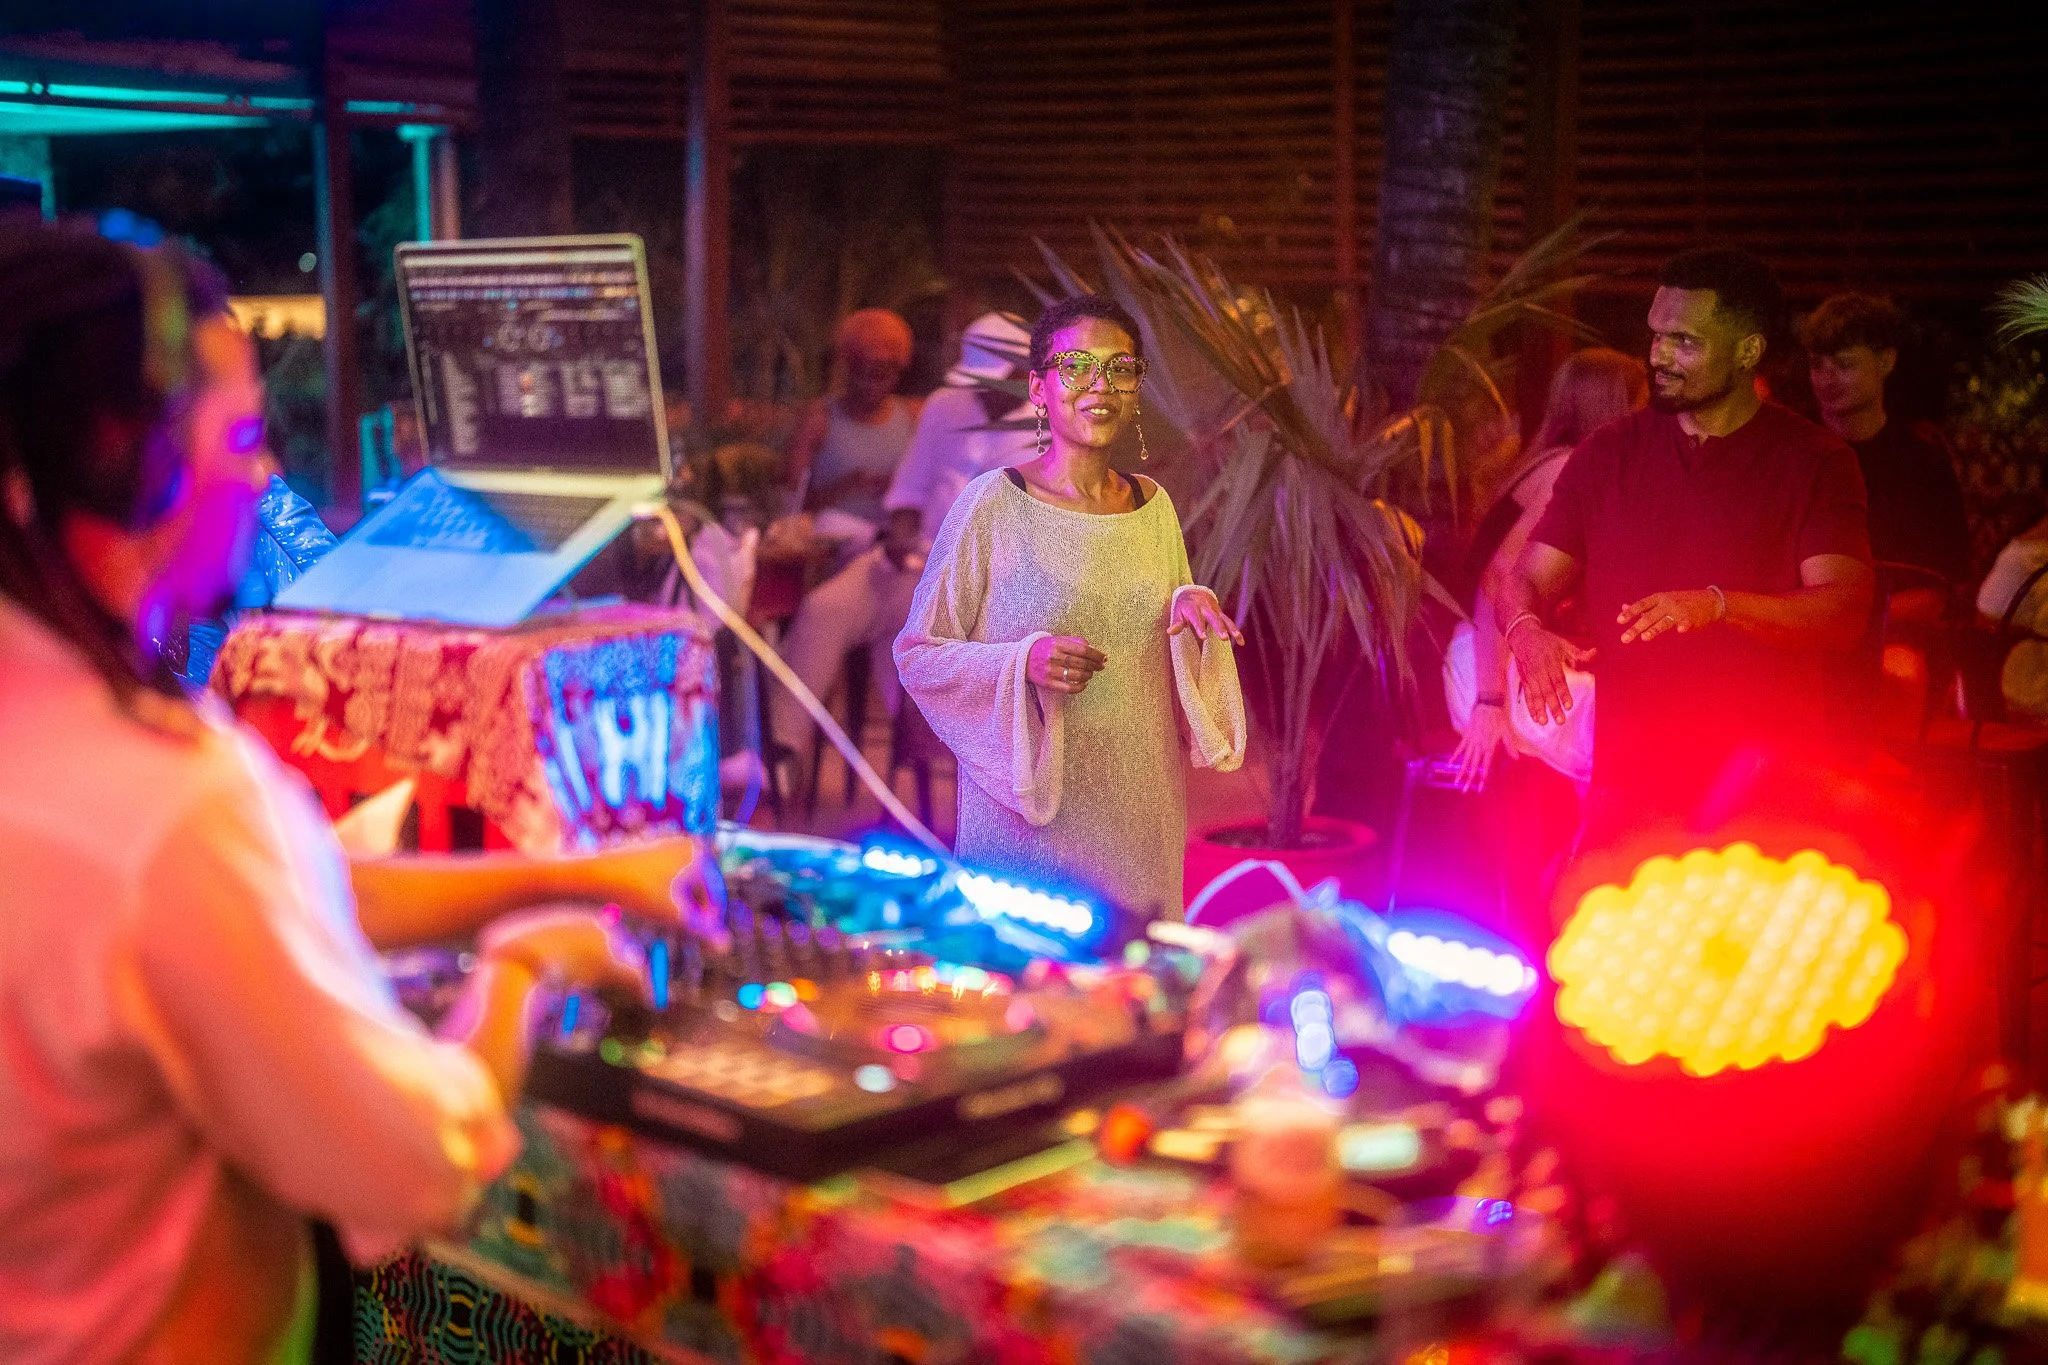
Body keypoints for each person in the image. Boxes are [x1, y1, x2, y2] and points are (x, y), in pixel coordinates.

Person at [0, 223, 672, 1362]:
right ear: (129, 458)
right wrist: (523, 969)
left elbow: (263, 899)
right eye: (243, 437)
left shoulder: (80, 745)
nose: (264, 477)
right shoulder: (164, 801)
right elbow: (415, 1165)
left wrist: (569, 872)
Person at [1499, 247, 1873, 837]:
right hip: (1630, 778)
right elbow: (1526, 577)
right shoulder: (1608, 453)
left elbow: (1844, 608)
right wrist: (1525, 631)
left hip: (1766, 784)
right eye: (1656, 336)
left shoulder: (1816, 461)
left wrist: (1717, 605)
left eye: (1685, 342)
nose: (1659, 356)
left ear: (1747, 351)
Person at [894, 294, 1247, 919]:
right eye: (1077, 367)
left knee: (1132, 966)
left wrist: (1190, 608)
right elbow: (919, 653)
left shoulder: (1153, 506)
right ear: (1039, 388)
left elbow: (1161, 630)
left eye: (1119, 368)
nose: (1100, 385)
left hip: (1140, 804)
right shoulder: (992, 505)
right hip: (1030, 817)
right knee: (1029, 968)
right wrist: (1022, 663)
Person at [769, 313, 1036, 794]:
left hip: (984, 584)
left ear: (1023, 371)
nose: (983, 392)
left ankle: (955, 765)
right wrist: (900, 534)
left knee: (925, 650)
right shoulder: (945, 407)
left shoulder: (1047, 425)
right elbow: (910, 490)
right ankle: (779, 757)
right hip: (912, 565)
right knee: (824, 608)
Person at [1444, 347, 1647, 792]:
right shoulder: (1563, 470)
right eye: (1641, 404)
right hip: (1485, 666)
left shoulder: (1548, 461)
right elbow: (1496, 583)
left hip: (1496, 659)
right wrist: (1490, 702)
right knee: (1628, 727)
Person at [1799, 292, 1969, 614]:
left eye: (1844, 364)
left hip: (1895, 630)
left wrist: (1863, 620)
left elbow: (1943, 583)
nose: (1827, 378)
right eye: (1817, 364)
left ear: (1886, 362)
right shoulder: (1793, 452)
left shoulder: (1921, 462)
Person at [780, 307, 922, 543]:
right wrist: (844, 487)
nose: (871, 385)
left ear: (898, 373)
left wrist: (899, 485)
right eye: (863, 373)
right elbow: (792, 503)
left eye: (882, 375)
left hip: (895, 546)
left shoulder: (912, 417)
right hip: (832, 546)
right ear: (848, 369)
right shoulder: (820, 419)